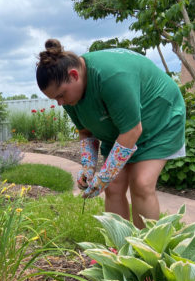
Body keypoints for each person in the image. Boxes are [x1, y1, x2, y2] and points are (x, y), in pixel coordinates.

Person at [36, 39, 186, 227]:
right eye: (55, 98)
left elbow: (132, 130)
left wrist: (104, 176)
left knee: (141, 183)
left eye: (60, 96)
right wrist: (88, 167)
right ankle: (119, 250)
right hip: (118, 128)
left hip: (159, 120)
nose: (60, 103)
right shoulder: (69, 96)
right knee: (114, 187)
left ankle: (146, 251)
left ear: (74, 75)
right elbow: (86, 131)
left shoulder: (111, 77)